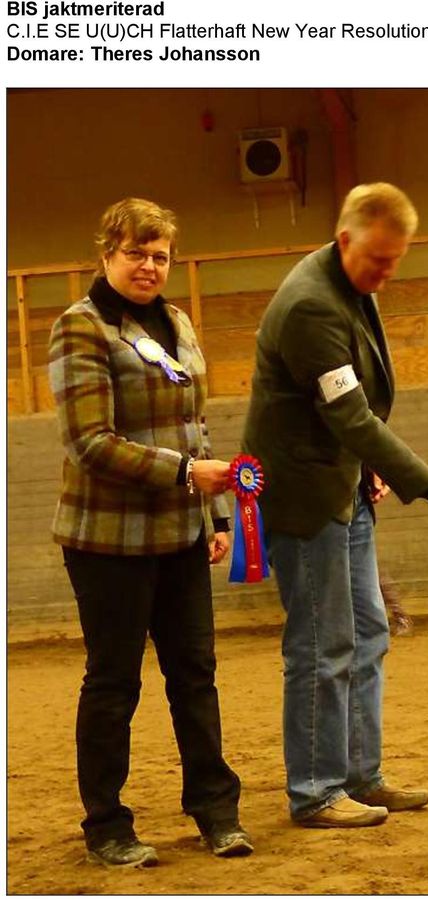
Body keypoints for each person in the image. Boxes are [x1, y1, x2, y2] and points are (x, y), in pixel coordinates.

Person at [242, 182, 428, 828]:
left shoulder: (353, 286)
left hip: (345, 488)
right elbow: (350, 415)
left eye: (397, 260)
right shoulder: (311, 305)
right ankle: (315, 792)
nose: (386, 272)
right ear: (345, 239)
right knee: (322, 642)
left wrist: (368, 469)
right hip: (303, 496)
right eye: (378, 260)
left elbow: (355, 408)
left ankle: (360, 776)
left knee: (369, 630)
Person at [48, 198, 252, 867]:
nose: (149, 265)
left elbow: (195, 422)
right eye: (136, 252)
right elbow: (90, 443)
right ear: (106, 252)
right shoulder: (79, 329)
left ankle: (216, 812)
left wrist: (215, 515)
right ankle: (106, 824)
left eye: (160, 254)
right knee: (114, 682)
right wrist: (189, 473)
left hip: (181, 533)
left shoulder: (177, 322)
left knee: (196, 675)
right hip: (107, 540)